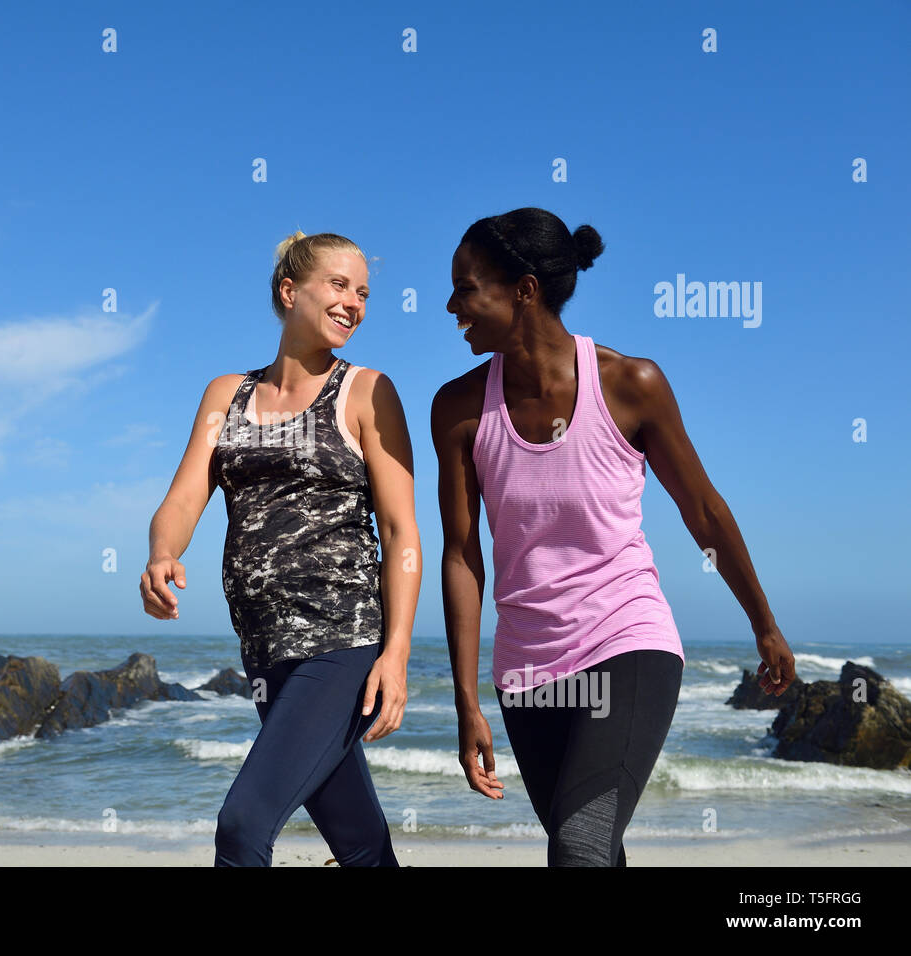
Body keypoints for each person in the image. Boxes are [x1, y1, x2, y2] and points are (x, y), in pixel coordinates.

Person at [430, 207, 796, 866]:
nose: (452, 303)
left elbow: (704, 512)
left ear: (523, 289)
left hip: (626, 640)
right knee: (597, 852)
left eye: (467, 286)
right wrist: (467, 702)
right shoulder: (457, 409)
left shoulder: (631, 385)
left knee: (579, 848)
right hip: (528, 670)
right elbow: (461, 555)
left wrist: (763, 623)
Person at [141, 231, 420, 867]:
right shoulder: (226, 395)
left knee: (243, 825)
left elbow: (402, 531)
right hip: (265, 648)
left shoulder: (368, 392)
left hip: (343, 644)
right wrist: (162, 554)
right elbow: (184, 498)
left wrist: (396, 654)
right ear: (290, 292)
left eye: (365, 293)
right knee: (359, 842)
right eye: (340, 285)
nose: (355, 303)